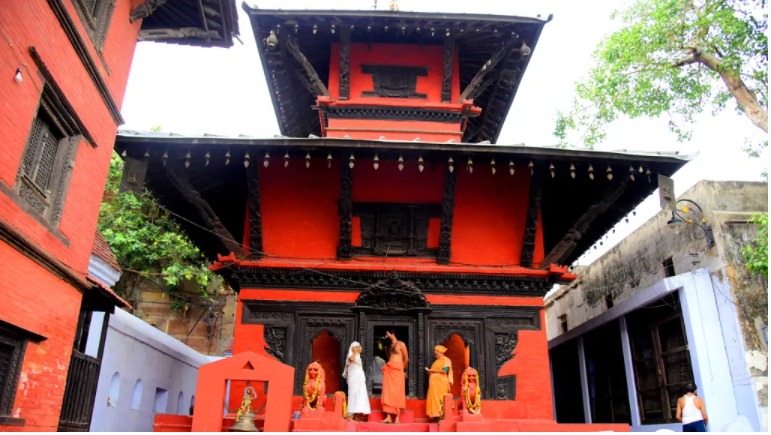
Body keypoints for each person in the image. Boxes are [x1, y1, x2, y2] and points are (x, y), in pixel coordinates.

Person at [381, 329, 408, 424]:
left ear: (393, 334)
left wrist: (402, 370)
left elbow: (406, 359)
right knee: (388, 393)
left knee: (397, 393)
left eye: (387, 334)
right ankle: (388, 417)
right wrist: (385, 346)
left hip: (398, 372)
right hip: (389, 370)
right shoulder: (388, 346)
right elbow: (389, 358)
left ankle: (397, 417)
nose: (386, 336)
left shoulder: (401, 344)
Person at [343, 341, 371, 422]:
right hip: (353, 378)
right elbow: (351, 359)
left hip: (359, 378)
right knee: (353, 394)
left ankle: (355, 416)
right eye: (356, 347)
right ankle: (350, 416)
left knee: (359, 395)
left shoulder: (358, 356)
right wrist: (354, 352)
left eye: (359, 346)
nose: (358, 348)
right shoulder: (350, 355)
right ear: (352, 348)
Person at [425, 345, 452, 422]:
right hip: (434, 384)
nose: (436, 355)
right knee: (433, 399)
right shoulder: (436, 362)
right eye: (435, 354)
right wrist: (430, 372)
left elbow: (445, 371)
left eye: (437, 354)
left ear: (441, 353)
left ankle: (441, 415)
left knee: (440, 398)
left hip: (441, 383)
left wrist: (432, 370)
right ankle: (435, 416)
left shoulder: (446, 360)